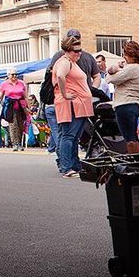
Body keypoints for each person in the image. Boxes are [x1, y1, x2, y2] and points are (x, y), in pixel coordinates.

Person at [51, 34, 94, 177]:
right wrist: (65, 94)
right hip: (72, 104)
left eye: (80, 50)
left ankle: (74, 165)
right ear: (68, 51)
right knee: (69, 136)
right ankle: (67, 167)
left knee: (73, 137)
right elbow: (60, 76)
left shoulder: (71, 62)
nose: (79, 53)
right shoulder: (64, 62)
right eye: (76, 51)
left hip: (78, 104)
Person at [109, 41, 139, 144]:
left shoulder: (132, 68)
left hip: (125, 104)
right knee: (133, 136)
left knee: (129, 139)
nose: (124, 57)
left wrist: (114, 69)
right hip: (134, 104)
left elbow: (111, 79)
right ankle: (137, 153)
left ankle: (134, 154)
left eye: (125, 54)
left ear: (130, 54)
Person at [0, 70, 29, 150]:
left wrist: (28, 106)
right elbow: (0, 97)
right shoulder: (4, 84)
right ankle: (15, 143)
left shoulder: (21, 83)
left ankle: (19, 143)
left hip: (21, 106)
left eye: (16, 74)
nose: (14, 76)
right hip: (10, 106)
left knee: (20, 125)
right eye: (12, 74)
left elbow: (25, 96)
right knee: (13, 125)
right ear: (8, 75)